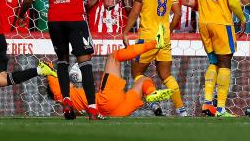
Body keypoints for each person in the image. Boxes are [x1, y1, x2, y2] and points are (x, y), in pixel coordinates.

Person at [17, 0, 143, 120]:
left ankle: (67, 101)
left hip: (54, 19)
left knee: (62, 60)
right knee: (84, 61)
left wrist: (20, 14)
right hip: (75, 17)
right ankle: (92, 108)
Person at [46, 37, 174, 117]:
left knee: (143, 80)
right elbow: (47, 66)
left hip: (119, 113)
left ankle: (153, 97)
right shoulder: (59, 92)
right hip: (107, 101)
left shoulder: (70, 107)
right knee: (114, 57)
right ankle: (154, 43)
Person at [122, 0, 185, 116]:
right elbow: (178, 13)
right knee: (166, 75)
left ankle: (154, 102)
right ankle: (181, 110)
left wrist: (126, 32)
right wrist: (167, 31)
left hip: (147, 38)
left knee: (137, 73)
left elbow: (135, 12)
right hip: (163, 38)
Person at [192, 0, 246, 117]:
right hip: (221, 21)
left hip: (204, 21)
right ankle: (221, 109)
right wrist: (242, 17)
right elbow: (232, 0)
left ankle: (208, 103)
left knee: (213, 61)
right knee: (225, 63)